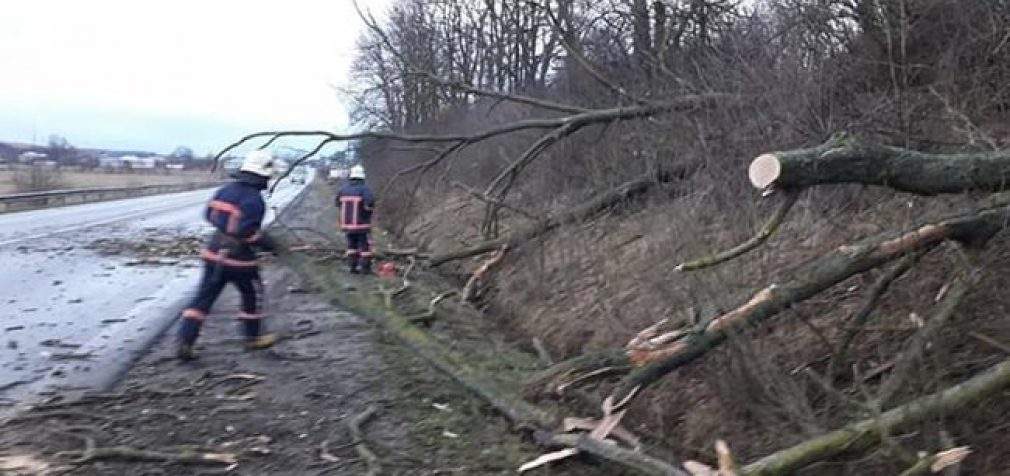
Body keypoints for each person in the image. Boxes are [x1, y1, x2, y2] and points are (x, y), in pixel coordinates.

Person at [176, 150, 279, 360]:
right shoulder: (255, 201)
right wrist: (271, 245)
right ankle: (252, 338)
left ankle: (185, 340)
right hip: (239, 261)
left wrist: (226, 228)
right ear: (262, 176)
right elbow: (247, 233)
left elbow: (209, 215)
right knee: (252, 295)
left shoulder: (224, 190)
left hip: (213, 255)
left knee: (203, 298)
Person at [336, 164, 375, 274]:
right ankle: (365, 269)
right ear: (362, 177)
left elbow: (337, 203)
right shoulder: (364, 189)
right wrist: (368, 212)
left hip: (347, 224)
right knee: (365, 247)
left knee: (351, 246)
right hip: (361, 224)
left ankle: (352, 267)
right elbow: (369, 204)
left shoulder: (343, 189)